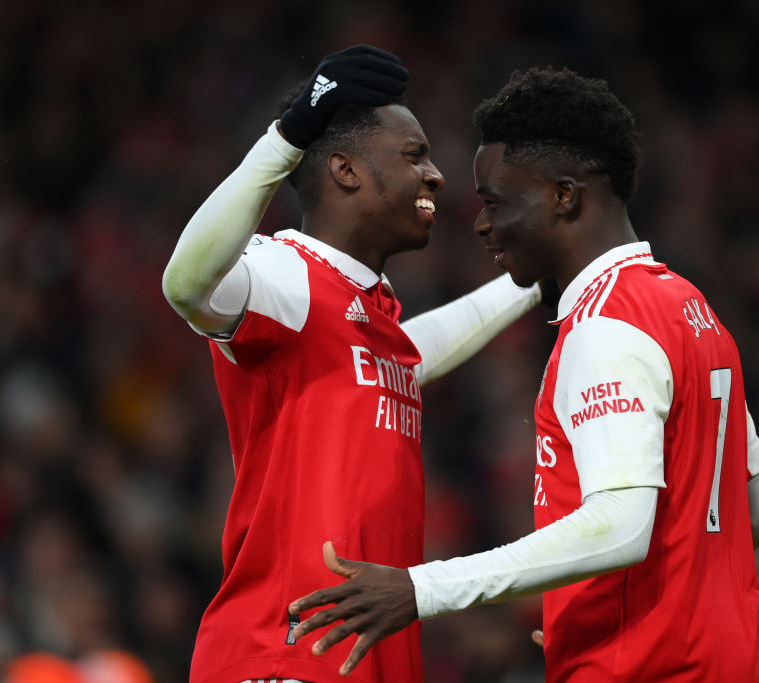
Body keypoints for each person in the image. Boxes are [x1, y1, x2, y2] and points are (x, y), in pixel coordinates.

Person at [288, 66, 759, 682]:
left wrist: (422, 588)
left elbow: (622, 527)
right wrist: (610, 605)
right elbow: (753, 513)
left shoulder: (606, 328)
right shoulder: (692, 310)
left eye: (495, 201)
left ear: (564, 196)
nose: (480, 223)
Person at [161, 46, 541, 683]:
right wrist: (288, 134)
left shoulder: (368, 313)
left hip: (361, 662)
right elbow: (185, 284)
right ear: (344, 170)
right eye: (413, 155)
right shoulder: (287, 273)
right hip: (283, 656)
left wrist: (534, 279)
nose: (436, 175)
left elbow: (412, 355)